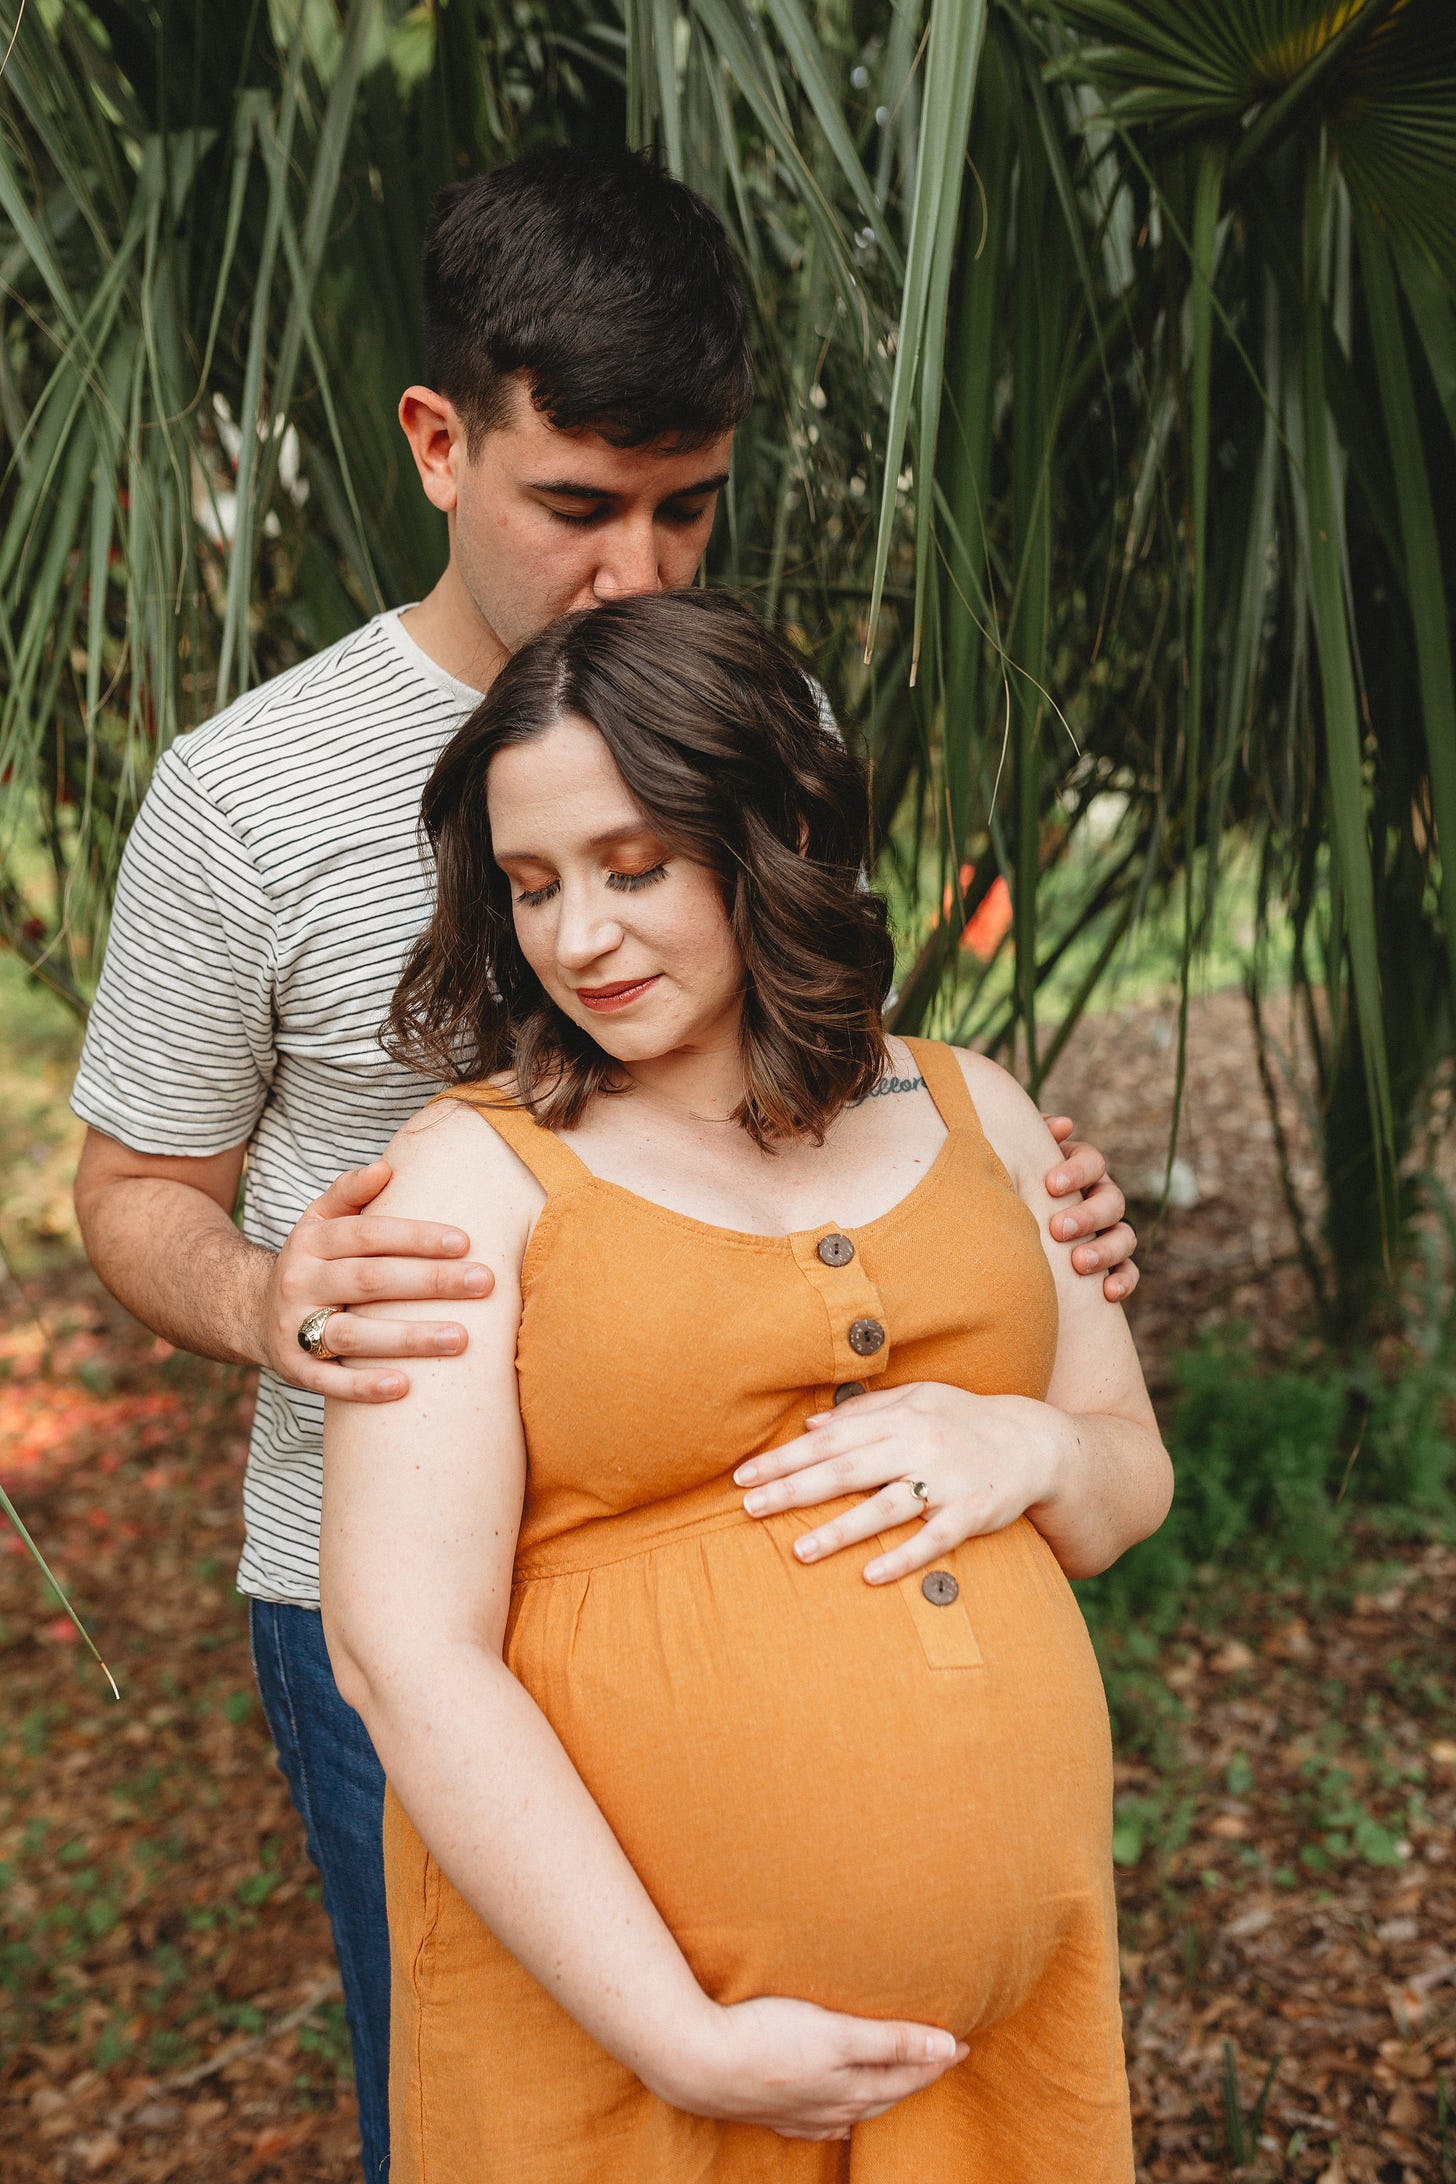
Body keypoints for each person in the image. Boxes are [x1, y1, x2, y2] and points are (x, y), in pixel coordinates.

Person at [69, 152, 1138, 2178]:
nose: (640, 570)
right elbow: (135, 1191)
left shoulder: (756, 709)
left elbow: (824, 1069)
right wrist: (269, 1298)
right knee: (488, 2087)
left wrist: (1024, 1203)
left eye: (687, 505)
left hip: (781, 1506)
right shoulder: (242, 794)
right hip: (392, 1573)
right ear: (438, 442)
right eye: (579, 508)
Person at [320, 587, 1172, 2182]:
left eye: (634, 867)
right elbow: (400, 1654)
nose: (578, 935)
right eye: (531, 886)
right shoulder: (466, 1183)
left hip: (993, 2073)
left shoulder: (978, 1108)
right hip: (632, 2058)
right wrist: (682, 2036)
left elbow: (1129, 1478)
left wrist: (1034, 1444)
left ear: (776, 827)